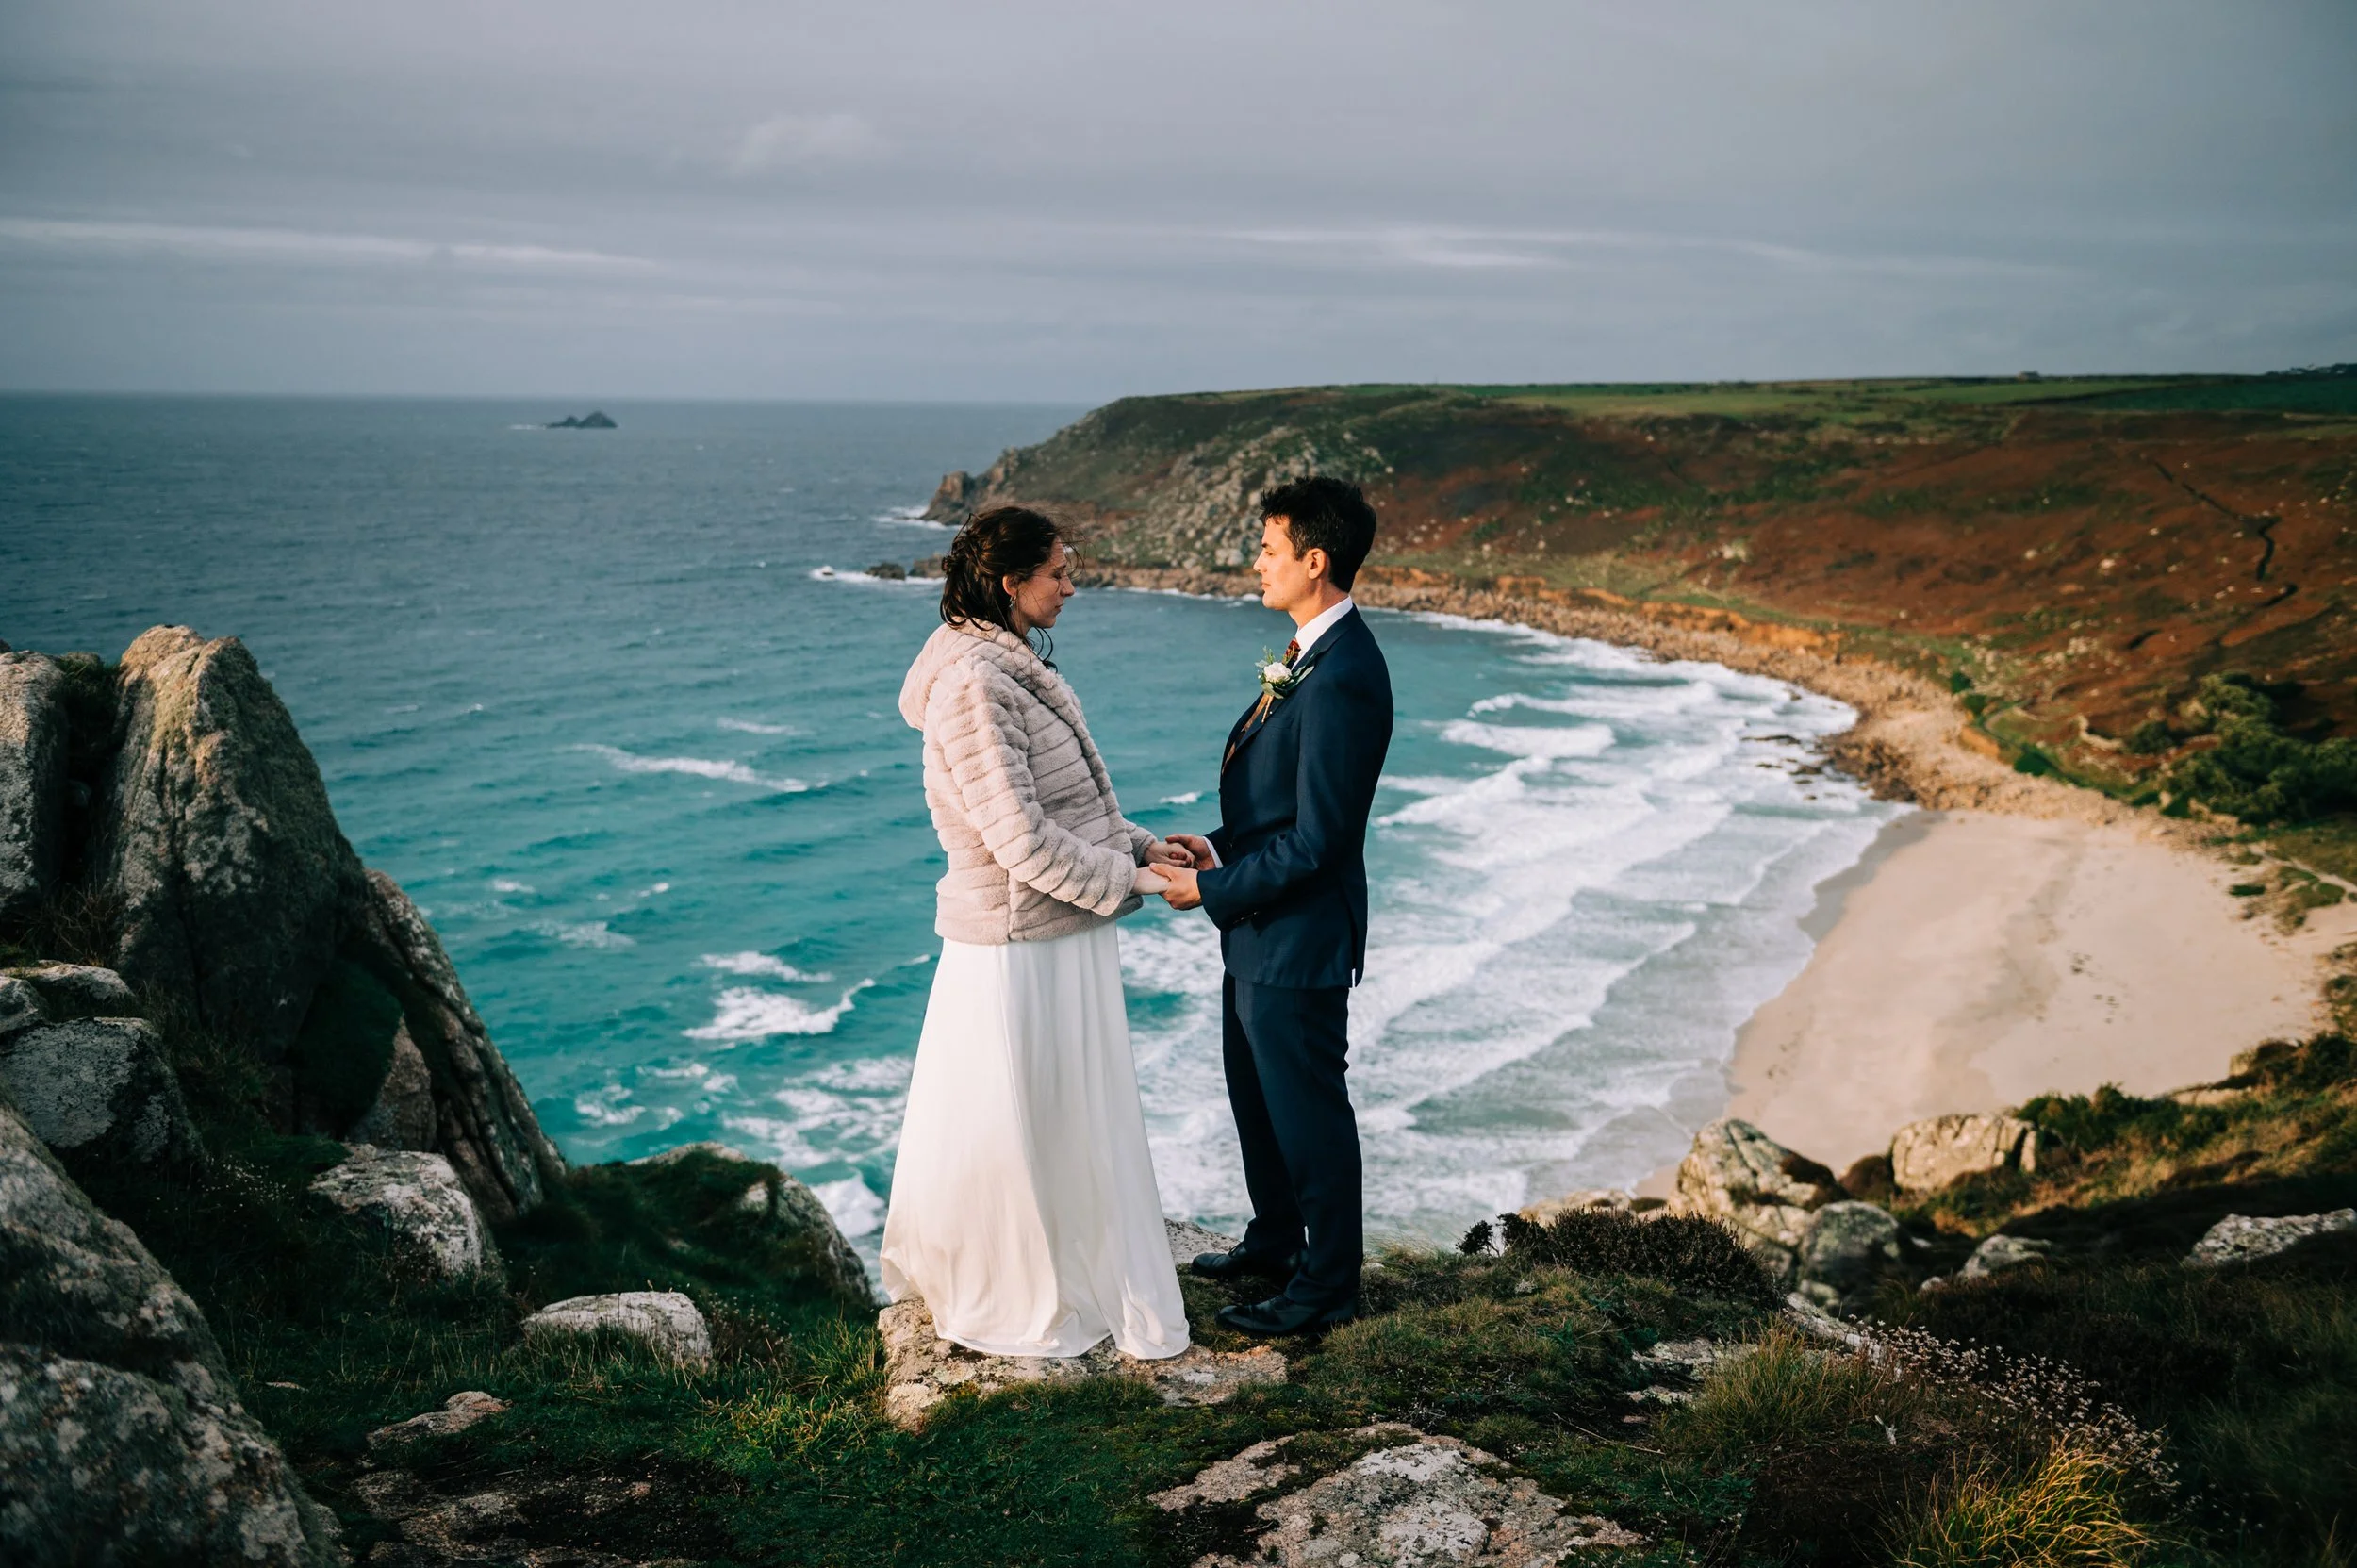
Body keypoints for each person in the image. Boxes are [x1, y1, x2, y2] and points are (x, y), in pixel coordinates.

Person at [879, 504, 1195, 1359]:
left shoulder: (1004, 662)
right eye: (1058, 570)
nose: (1072, 582)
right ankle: (1018, 1282)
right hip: (1020, 942)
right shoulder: (974, 684)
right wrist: (1127, 878)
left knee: (1058, 1114)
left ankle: (1065, 1258)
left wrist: (1141, 843)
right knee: (1023, 1117)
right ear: (1010, 583)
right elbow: (1018, 839)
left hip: (1058, 927)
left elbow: (1069, 806)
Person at [1155, 475, 1394, 1337]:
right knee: (1256, 1095)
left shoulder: (1344, 675)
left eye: (1269, 548)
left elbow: (1321, 841)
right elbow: (1282, 814)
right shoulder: (1309, 654)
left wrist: (1209, 890)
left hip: (1297, 937)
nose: (1256, 562)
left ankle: (1326, 1283)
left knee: (1308, 1109)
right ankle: (1274, 1238)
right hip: (1260, 928)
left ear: (1315, 561)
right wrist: (1217, 846)